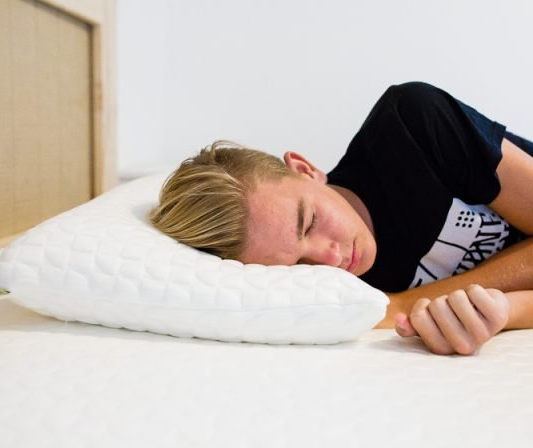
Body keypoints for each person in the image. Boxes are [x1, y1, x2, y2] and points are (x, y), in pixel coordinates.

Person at [150, 82, 533, 356]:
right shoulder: (336, 300)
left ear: (305, 169)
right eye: (299, 265)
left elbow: (399, 307)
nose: (330, 258)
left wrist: (404, 304)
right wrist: (504, 311)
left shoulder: (411, 126)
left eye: (309, 222)